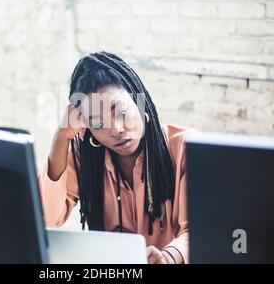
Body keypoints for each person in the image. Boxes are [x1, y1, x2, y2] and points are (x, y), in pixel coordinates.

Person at [38, 51, 196, 264]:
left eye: (121, 111)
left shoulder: (187, 148)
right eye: (98, 124)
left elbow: (200, 231)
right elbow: (44, 221)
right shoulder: (86, 157)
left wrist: (167, 258)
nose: (117, 130)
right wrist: (61, 138)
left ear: (138, 100)